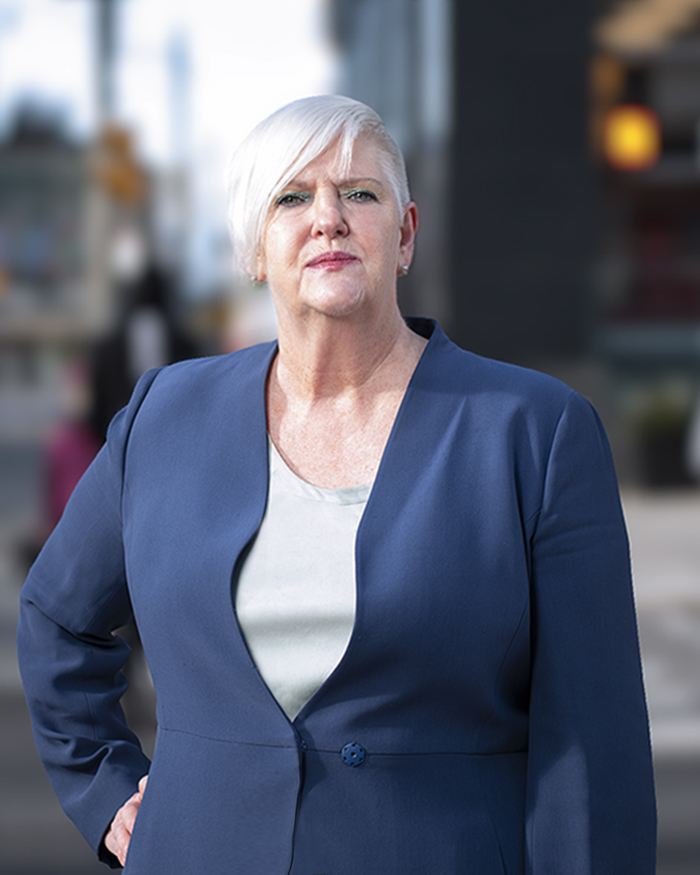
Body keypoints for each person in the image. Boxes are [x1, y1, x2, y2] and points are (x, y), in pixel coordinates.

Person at [17, 95, 656, 874]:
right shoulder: (163, 416)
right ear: (255, 250)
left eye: (360, 192)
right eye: (292, 197)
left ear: (406, 234)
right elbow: (56, 618)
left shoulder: (537, 429)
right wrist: (106, 788)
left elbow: (592, 748)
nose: (328, 217)